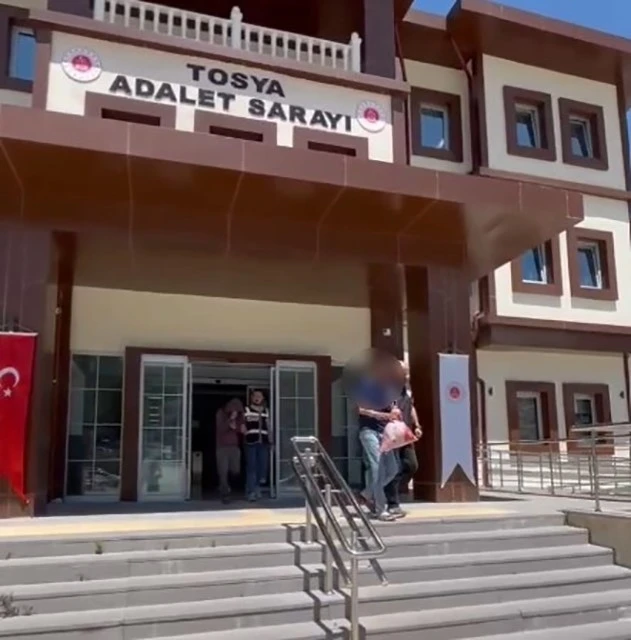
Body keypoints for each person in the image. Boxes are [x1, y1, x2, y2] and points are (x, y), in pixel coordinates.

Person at [356, 355, 403, 522]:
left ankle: (366, 494)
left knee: (392, 469)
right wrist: (384, 415)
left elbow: (393, 409)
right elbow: (362, 410)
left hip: (385, 433)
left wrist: (395, 413)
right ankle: (380, 509)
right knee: (377, 469)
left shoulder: (389, 390)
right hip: (369, 431)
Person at [384, 361, 422, 518]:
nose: (407, 375)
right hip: (393, 433)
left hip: (405, 433)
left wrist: (417, 425)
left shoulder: (406, 389)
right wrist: (392, 409)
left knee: (411, 465)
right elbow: (390, 404)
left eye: (407, 372)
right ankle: (393, 504)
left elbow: (411, 407)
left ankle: (389, 489)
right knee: (395, 468)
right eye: (404, 372)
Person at [243, 389, 271, 501]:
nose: (257, 398)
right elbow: (242, 423)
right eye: (255, 396)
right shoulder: (246, 409)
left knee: (262, 466)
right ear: (251, 398)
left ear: (263, 398)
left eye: (259, 396)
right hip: (250, 441)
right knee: (252, 467)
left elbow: (269, 426)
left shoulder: (266, 411)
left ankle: (257, 487)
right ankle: (251, 492)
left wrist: (271, 440)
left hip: (263, 442)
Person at [215, 397, 245, 503]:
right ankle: (225, 493)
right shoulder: (220, 413)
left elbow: (241, 430)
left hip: (234, 447)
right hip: (222, 447)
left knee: (235, 470)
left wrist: (239, 425)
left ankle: (227, 486)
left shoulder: (240, 417)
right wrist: (230, 420)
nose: (235, 411)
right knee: (222, 471)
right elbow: (221, 429)